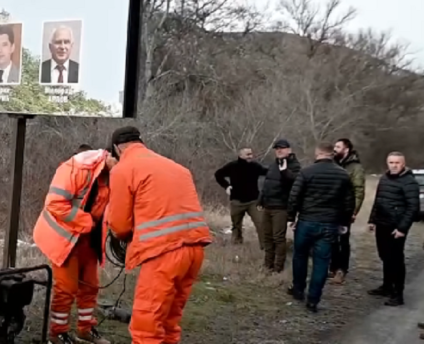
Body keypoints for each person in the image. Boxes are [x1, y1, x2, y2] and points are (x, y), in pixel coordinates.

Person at [107, 127, 212, 344]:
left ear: (117, 148)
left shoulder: (123, 169)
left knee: (146, 324)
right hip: (195, 249)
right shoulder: (177, 167)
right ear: (141, 142)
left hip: (164, 253)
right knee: (169, 321)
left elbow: (119, 224)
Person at [33, 148, 114, 344]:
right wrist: (86, 222)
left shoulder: (111, 176)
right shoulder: (75, 170)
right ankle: (57, 333)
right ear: (111, 155)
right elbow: (55, 204)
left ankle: (85, 329)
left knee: (90, 286)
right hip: (64, 238)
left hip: (88, 239)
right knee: (66, 288)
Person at [286, 142, 355, 312]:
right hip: (330, 224)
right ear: (332, 154)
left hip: (307, 221)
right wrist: (344, 223)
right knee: (322, 262)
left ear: (317, 154)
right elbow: (349, 203)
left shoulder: (306, 172)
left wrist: (291, 217)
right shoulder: (343, 175)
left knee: (300, 256)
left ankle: (298, 289)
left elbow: (294, 197)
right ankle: (313, 299)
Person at [367, 151, 420, 306]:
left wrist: (402, 228)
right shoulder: (384, 178)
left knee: (396, 260)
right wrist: (372, 220)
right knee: (385, 257)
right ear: (387, 163)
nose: (394, 165)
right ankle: (386, 286)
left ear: (403, 164)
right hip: (382, 223)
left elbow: (413, 207)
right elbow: (378, 200)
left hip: (396, 227)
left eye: (397, 163)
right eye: (391, 162)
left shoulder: (409, 182)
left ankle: (398, 294)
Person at [257, 139, 301, 273]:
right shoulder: (273, 165)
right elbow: (267, 184)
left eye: (282, 148)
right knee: (267, 236)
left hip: (281, 207)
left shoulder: (294, 165)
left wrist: (284, 171)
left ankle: (278, 267)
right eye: (277, 149)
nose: (279, 151)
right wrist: (261, 200)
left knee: (278, 238)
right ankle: (267, 265)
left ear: (289, 150)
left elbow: (294, 182)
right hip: (268, 205)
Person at [329, 138, 366, 284]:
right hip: (331, 209)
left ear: (347, 149)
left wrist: (354, 211)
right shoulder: (333, 163)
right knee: (331, 239)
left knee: (342, 240)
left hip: (345, 210)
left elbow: (359, 190)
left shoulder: (355, 167)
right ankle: (332, 268)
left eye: (338, 146)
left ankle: (341, 270)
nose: (335, 149)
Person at [214, 147, 268, 247]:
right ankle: (237, 245)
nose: (250, 156)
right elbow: (218, 174)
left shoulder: (255, 166)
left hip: (253, 201)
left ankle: (265, 247)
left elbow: (268, 173)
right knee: (236, 225)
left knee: (261, 223)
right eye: (248, 154)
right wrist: (226, 186)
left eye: (251, 154)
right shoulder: (232, 166)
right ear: (240, 155)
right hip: (236, 201)